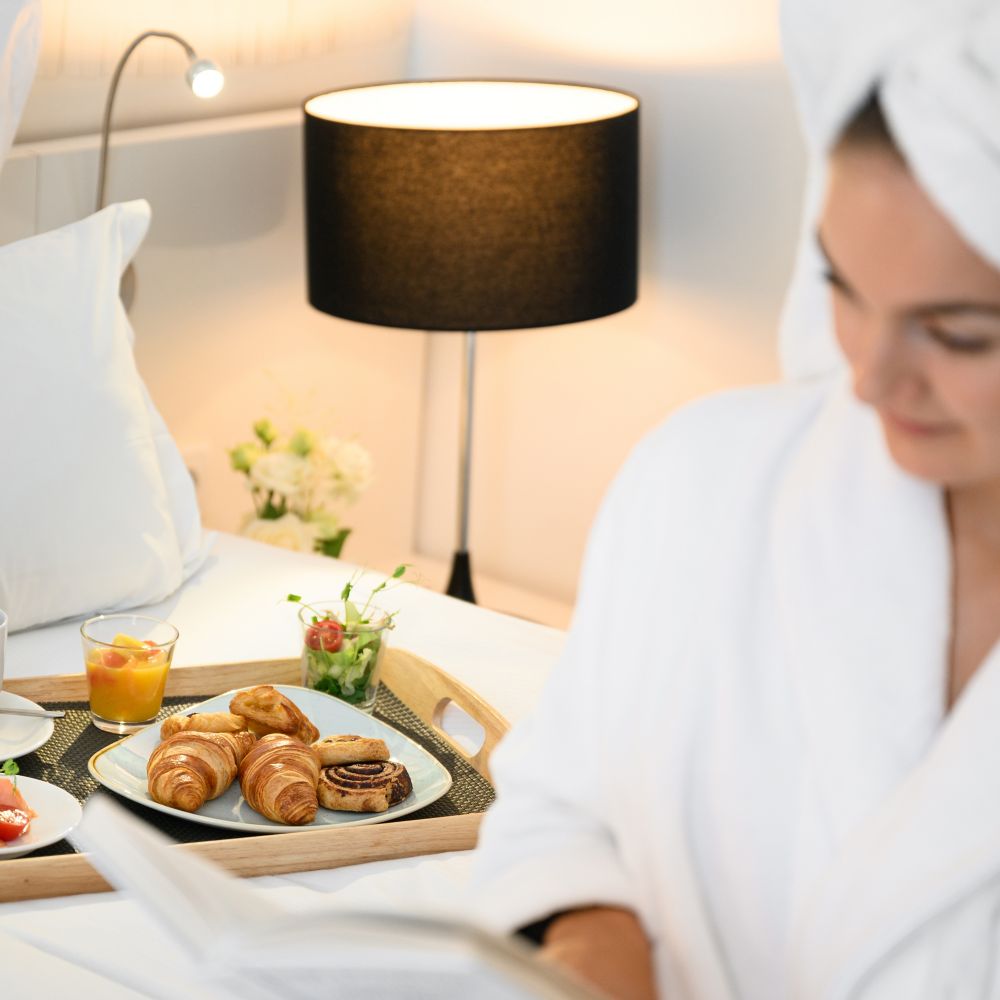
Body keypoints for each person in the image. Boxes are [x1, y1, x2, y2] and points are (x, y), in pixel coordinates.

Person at [466, 1, 1000, 997]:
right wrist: (590, 943)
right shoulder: (701, 479)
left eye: (957, 333)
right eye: (845, 287)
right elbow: (562, 800)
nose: (871, 378)